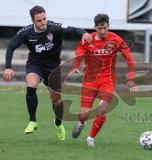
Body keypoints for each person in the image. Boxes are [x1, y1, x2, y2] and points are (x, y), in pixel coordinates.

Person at [3, 5, 92, 140]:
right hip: (35, 65)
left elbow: (71, 30)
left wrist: (83, 33)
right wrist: (8, 67)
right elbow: (10, 47)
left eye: (44, 18)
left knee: (56, 100)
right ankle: (32, 121)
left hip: (53, 68)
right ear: (33, 21)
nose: (43, 22)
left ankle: (58, 124)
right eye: (39, 20)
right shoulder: (26, 32)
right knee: (31, 84)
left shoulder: (54, 28)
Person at [69, 13, 137, 146]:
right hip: (90, 80)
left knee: (102, 109)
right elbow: (80, 53)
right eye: (100, 28)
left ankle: (91, 138)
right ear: (94, 27)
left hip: (108, 80)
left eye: (105, 28)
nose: (103, 31)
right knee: (84, 114)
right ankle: (82, 123)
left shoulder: (116, 40)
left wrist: (131, 78)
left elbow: (129, 57)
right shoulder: (88, 39)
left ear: (108, 26)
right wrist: (75, 66)